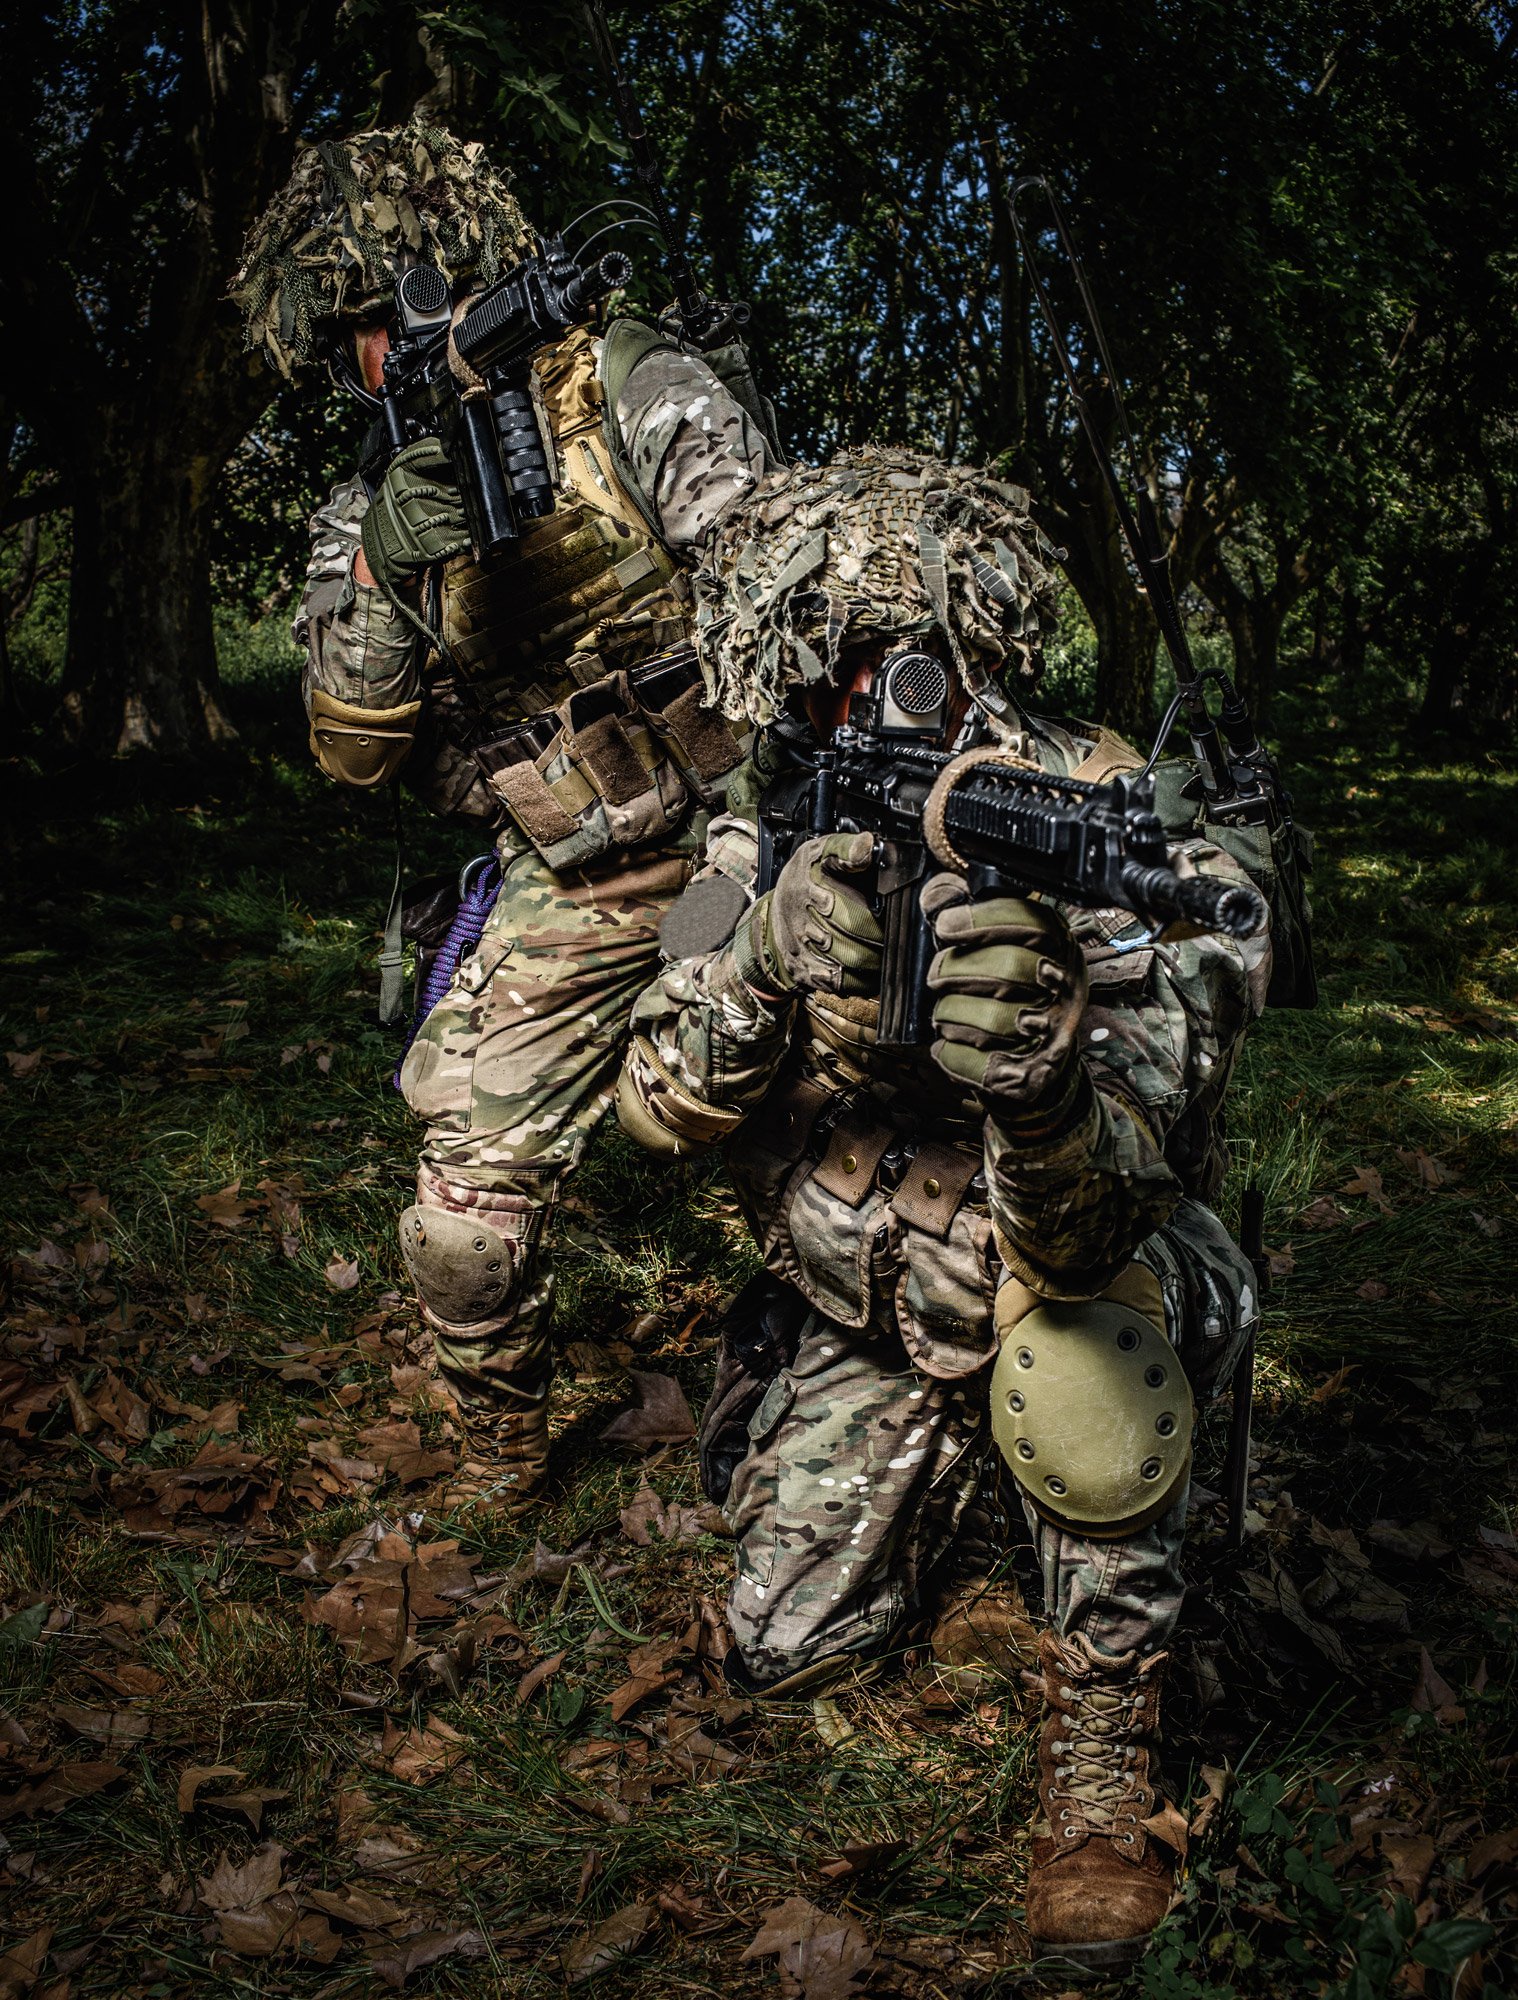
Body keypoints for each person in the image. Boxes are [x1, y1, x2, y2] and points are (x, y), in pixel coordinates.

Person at [614, 447, 1273, 1976]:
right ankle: (910, 1447)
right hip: (874, 1288)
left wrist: (1040, 1087)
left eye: (917, 658)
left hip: (1069, 1270)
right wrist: (759, 957)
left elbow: (1138, 1158)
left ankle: (1101, 1748)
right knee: (786, 1649)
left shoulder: (1098, 808)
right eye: (840, 661)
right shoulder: (753, 822)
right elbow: (651, 1102)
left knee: (1097, 1361)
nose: (883, 693)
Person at [230, 121, 779, 1512]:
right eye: (351, 342)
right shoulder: (371, 503)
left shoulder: (630, 386)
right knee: (459, 1219)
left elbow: (791, 626)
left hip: (750, 827)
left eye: (372, 326)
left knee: (807, 1132)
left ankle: (845, 1386)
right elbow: (355, 754)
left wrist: (753, 861)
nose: (368, 363)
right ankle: (501, 1452)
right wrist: (384, 567)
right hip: (574, 868)